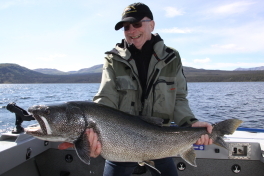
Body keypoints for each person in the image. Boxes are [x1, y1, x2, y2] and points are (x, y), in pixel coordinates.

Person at [59, 2, 213, 176]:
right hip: (120, 142)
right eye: (126, 27)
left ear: (152, 24)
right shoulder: (113, 59)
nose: (132, 31)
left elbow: (178, 98)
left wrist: (190, 123)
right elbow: (105, 99)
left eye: (137, 24)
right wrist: (90, 135)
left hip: (159, 139)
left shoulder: (172, 57)